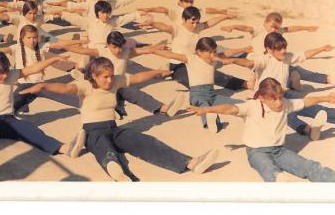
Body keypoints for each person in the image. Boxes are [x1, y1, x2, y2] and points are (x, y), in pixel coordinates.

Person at [19, 56, 222, 181]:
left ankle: (191, 163)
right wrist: (42, 86)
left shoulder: (116, 81)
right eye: (105, 77)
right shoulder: (85, 86)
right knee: (105, 151)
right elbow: (64, 88)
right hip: (91, 132)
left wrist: (157, 72)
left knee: (145, 141)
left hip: (114, 128)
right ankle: (119, 175)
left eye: (111, 76)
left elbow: (137, 78)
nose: (109, 80)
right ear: (94, 76)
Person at [189, 77, 335, 182]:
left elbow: (305, 101)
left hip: (279, 151)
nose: (279, 102)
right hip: (256, 152)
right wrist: (207, 109)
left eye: (280, 97)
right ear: (262, 98)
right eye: (274, 99)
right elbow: (230, 108)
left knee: (308, 166)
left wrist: (326, 97)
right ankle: (280, 182)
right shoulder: (252, 106)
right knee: (268, 168)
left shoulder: (286, 104)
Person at [227, 32, 335, 140]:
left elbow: (304, 54)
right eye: (279, 49)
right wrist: (233, 60)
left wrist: (322, 48)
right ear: (269, 50)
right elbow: (249, 63)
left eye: (284, 47)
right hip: (267, 99)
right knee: (287, 115)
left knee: (313, 108)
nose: (283, 51)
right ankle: (309, 130)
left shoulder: (287, 57)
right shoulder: (264, 60)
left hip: (283, 94)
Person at [60, 31, 187, 119]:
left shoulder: (126, 52)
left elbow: (145, 50)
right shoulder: (102, 51)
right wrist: (62, 46)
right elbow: (82, 50)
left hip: (118, 83)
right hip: (102, 86)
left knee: (136, 94)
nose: (118, 50)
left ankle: (165, 108)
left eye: (120, 47)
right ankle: (84, 76)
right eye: (114, 47)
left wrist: (157, 47)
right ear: (108, 45)